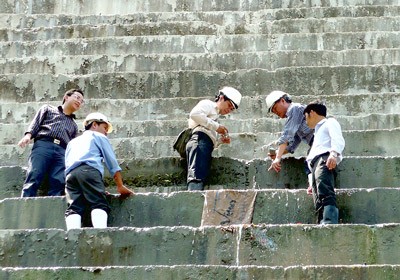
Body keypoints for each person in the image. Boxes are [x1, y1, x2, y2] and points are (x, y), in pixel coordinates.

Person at [64, 112, 134, 230]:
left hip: (70, 176)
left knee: (74, 206)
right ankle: (101, 232)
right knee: (99, 203)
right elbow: (111, 163)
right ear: (95, 125)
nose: (106, 132)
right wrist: (120, 186)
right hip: (89, 171)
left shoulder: (72, 142)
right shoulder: (99, 137)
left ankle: (72, 234)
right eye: (105, 128)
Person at [18, 88, 84, 197]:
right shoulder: (48, 109)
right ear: (66, 97)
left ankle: (54, 205)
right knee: (35, 173)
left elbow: (72, 145)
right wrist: (28, 135)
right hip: (44, 144)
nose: (79, 102)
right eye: (77, 97)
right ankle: (25, 202)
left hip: (62, 151)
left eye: (81, 101)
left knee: (58, 181)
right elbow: (36, 123)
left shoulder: (74, 125)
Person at [186, 86, 242, 191]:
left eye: (231, 109)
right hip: (198, 139)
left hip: (205, 144)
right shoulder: (208, 104)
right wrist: (216, 127)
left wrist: (220, 141)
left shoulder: (216, 117)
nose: (228, 110)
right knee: (196, 176)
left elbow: (209, 140)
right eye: (229, 105)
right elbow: (194, 114)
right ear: (221, 98)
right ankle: (193, 197)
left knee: (201, 176)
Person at [304, 101, 345, 224]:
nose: (305, 121)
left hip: (324, 159)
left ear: (311, 112)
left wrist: (333, 154)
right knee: (317, 195)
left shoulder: (329, 122)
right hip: (315, 164)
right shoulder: (317, 132)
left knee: (324, 188)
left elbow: (337, 138)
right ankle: (322, 220)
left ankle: (330, 220)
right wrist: (311, 182)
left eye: (305, 117)